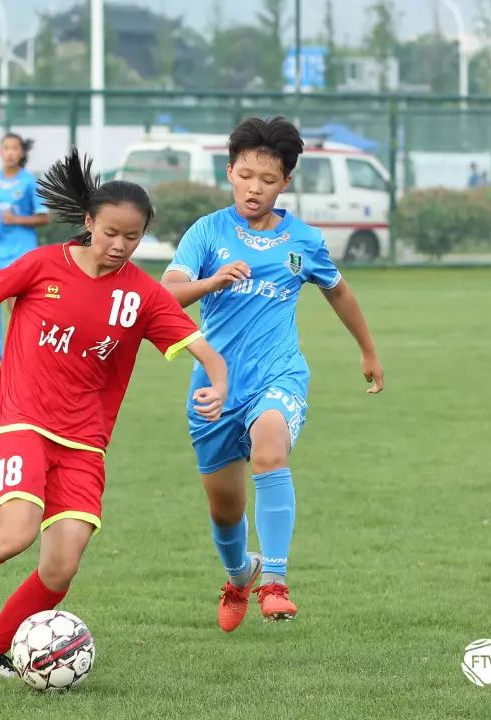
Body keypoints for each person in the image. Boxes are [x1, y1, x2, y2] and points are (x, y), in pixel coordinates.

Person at [0, 148, 228, 676]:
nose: (119, 245)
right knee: (15, 534)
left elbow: (206, 351)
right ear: (88, 222)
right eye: (110, 232)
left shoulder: (142, 296)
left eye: (132, 237)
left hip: (85, 441)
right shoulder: (44, 265)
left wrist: (218, 382)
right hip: (23, 420)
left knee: (62, 564)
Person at [161, 116, 385, 632]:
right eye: (245, 175)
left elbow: (338, 291)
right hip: (215, 388)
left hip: (278, 375)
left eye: (267, 179)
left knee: (269, 449)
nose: (254, 188)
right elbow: (165, 295)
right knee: (225, 510)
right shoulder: (207, 231)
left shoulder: (303, 240)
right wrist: (212, 282)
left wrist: (368, 350)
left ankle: (276, 582)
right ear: (229, 172)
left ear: (286, 181)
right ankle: (241, 575)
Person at [0, 133, 50, 363]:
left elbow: (44, 217)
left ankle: (25, 351)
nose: (10, 152)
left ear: (22, 152)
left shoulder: (30, 182)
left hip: (21, 250)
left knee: (17, 303)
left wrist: (17, 220)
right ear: (0, 152)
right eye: (6, 147)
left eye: (15, 148)